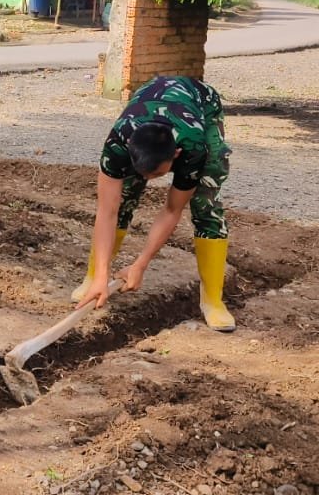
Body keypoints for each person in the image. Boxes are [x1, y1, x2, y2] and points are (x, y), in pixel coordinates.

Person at [72, 75, 235, 331]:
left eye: (157, 174)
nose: (148, 179)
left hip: (202, 104)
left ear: (176, 155)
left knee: (205, 204)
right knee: (125, 195)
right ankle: (93, 277)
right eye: (144, 172)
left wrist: (140, 265)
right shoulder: (118, 142)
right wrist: (103, 275)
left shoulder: (193, 146)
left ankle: (212, 301)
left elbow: (172, 209)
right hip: (149, 99)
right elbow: (107, 211)